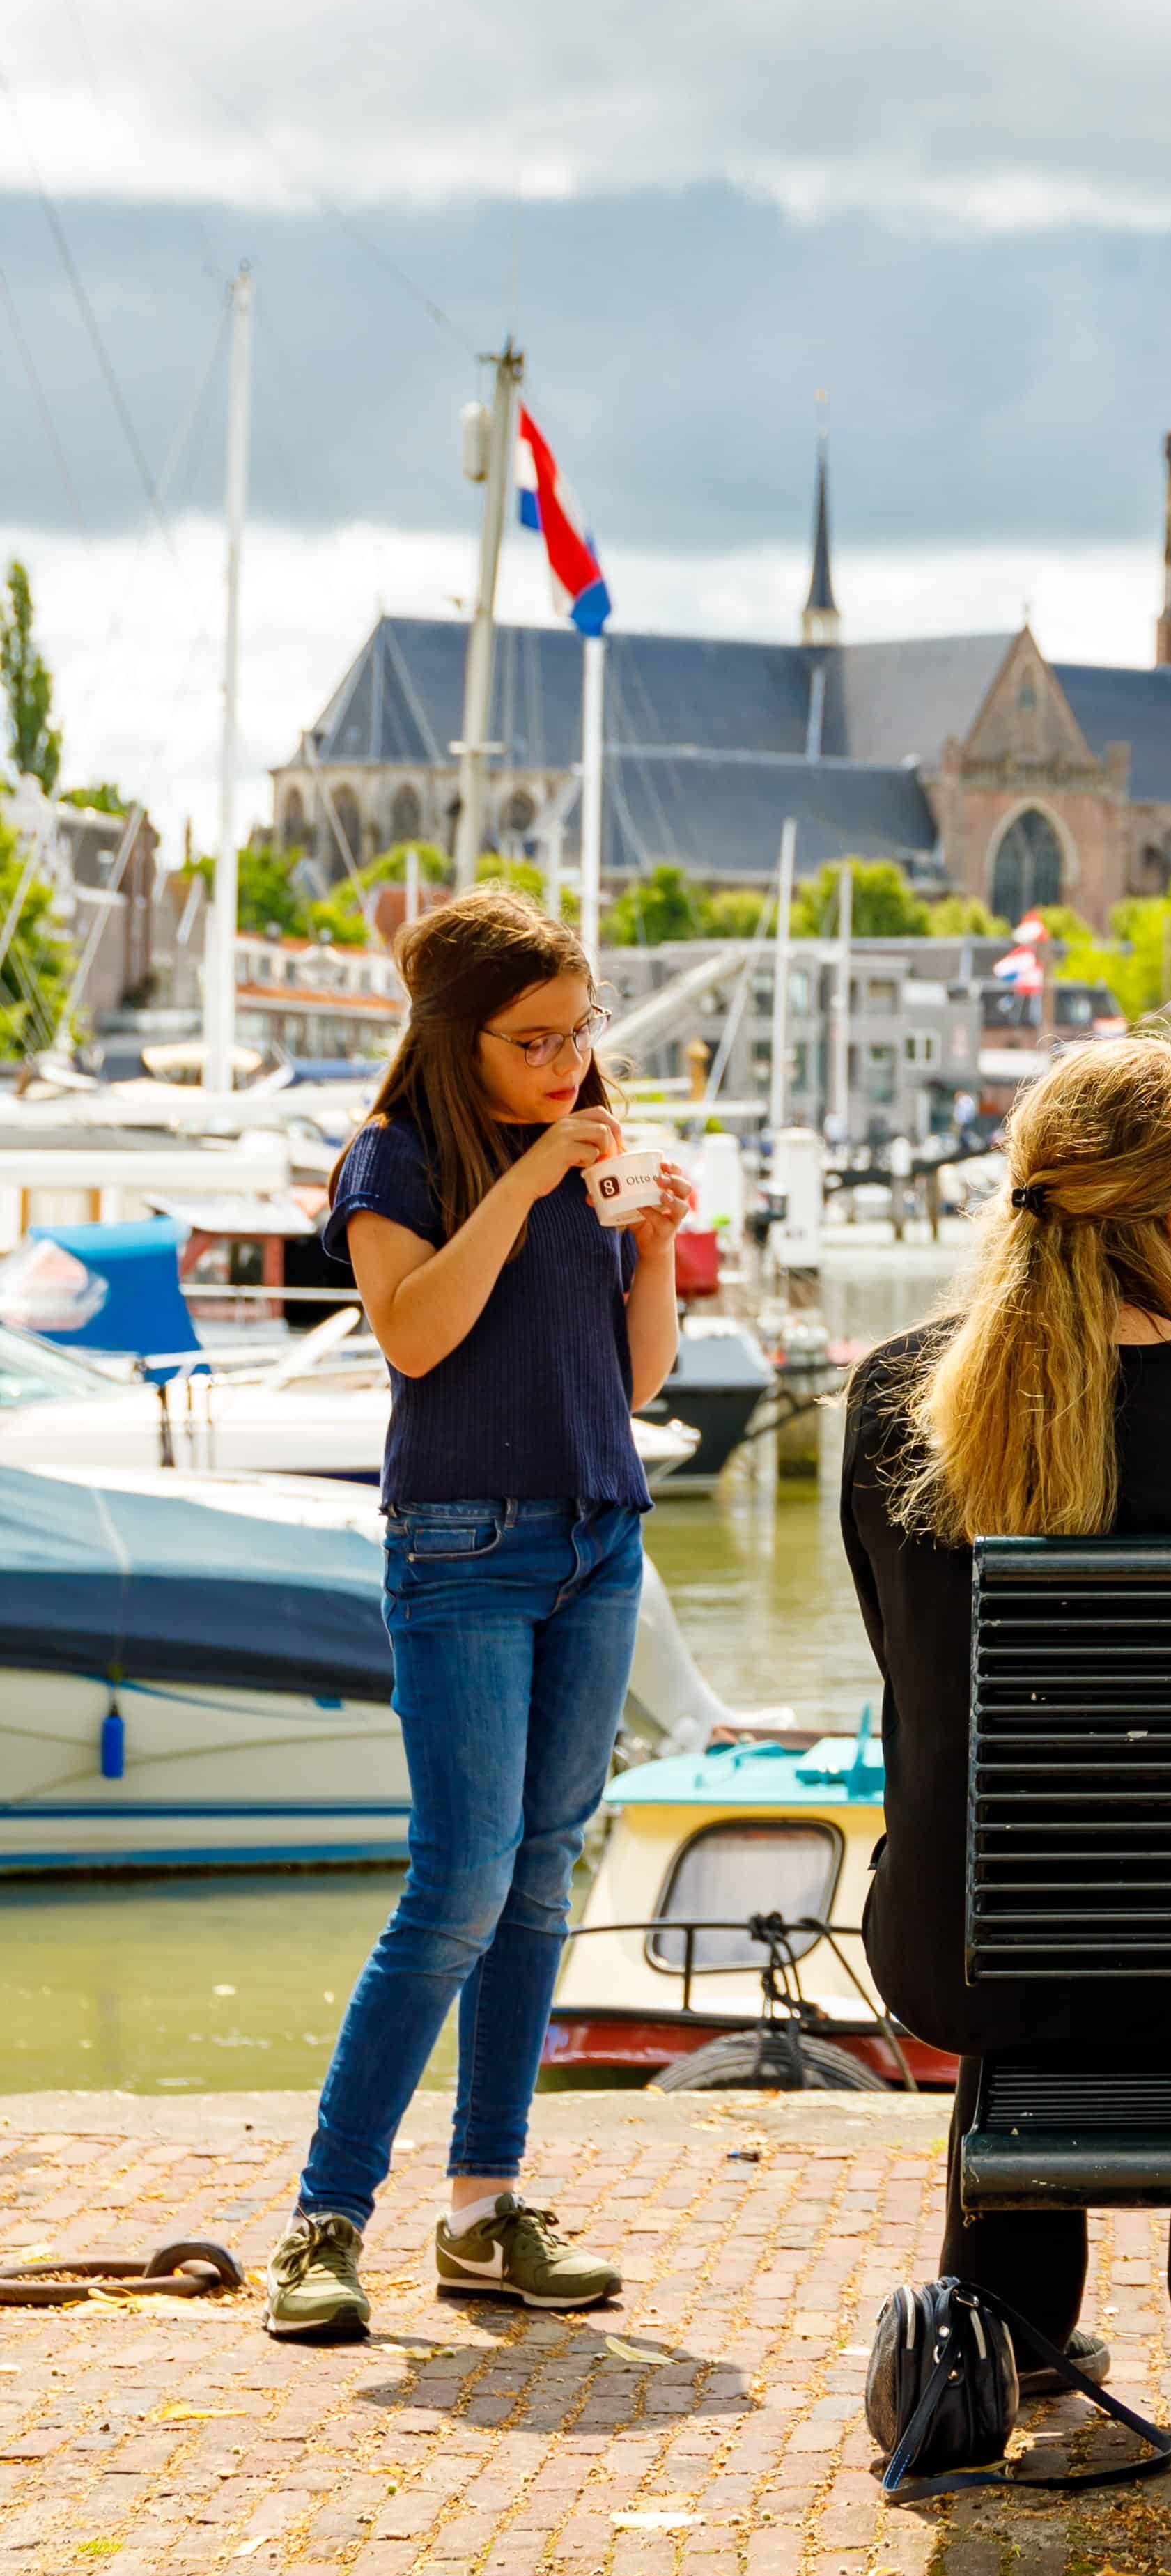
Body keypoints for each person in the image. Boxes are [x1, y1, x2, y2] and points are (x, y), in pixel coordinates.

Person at [840, 1030, 1171, 2428]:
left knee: (1042, 1917)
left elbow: (905, 1658)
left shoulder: (896, 1396)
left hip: (969, 1935)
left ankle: (1015, 2341)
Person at [265, 897, 692, 2348]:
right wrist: (520, 1186)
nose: (567, 1064)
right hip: (461, 1546)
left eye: (581, 1034)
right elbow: (415, 1334)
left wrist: (653, 1250)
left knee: (538, 1882)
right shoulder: (397, 1160)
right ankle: (325, 2221)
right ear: (459, 1039)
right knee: (454, 1885)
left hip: (597, 1541)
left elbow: (630, 1387)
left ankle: (485, 2211)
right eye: (534, 1041)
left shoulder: (591, 1152)